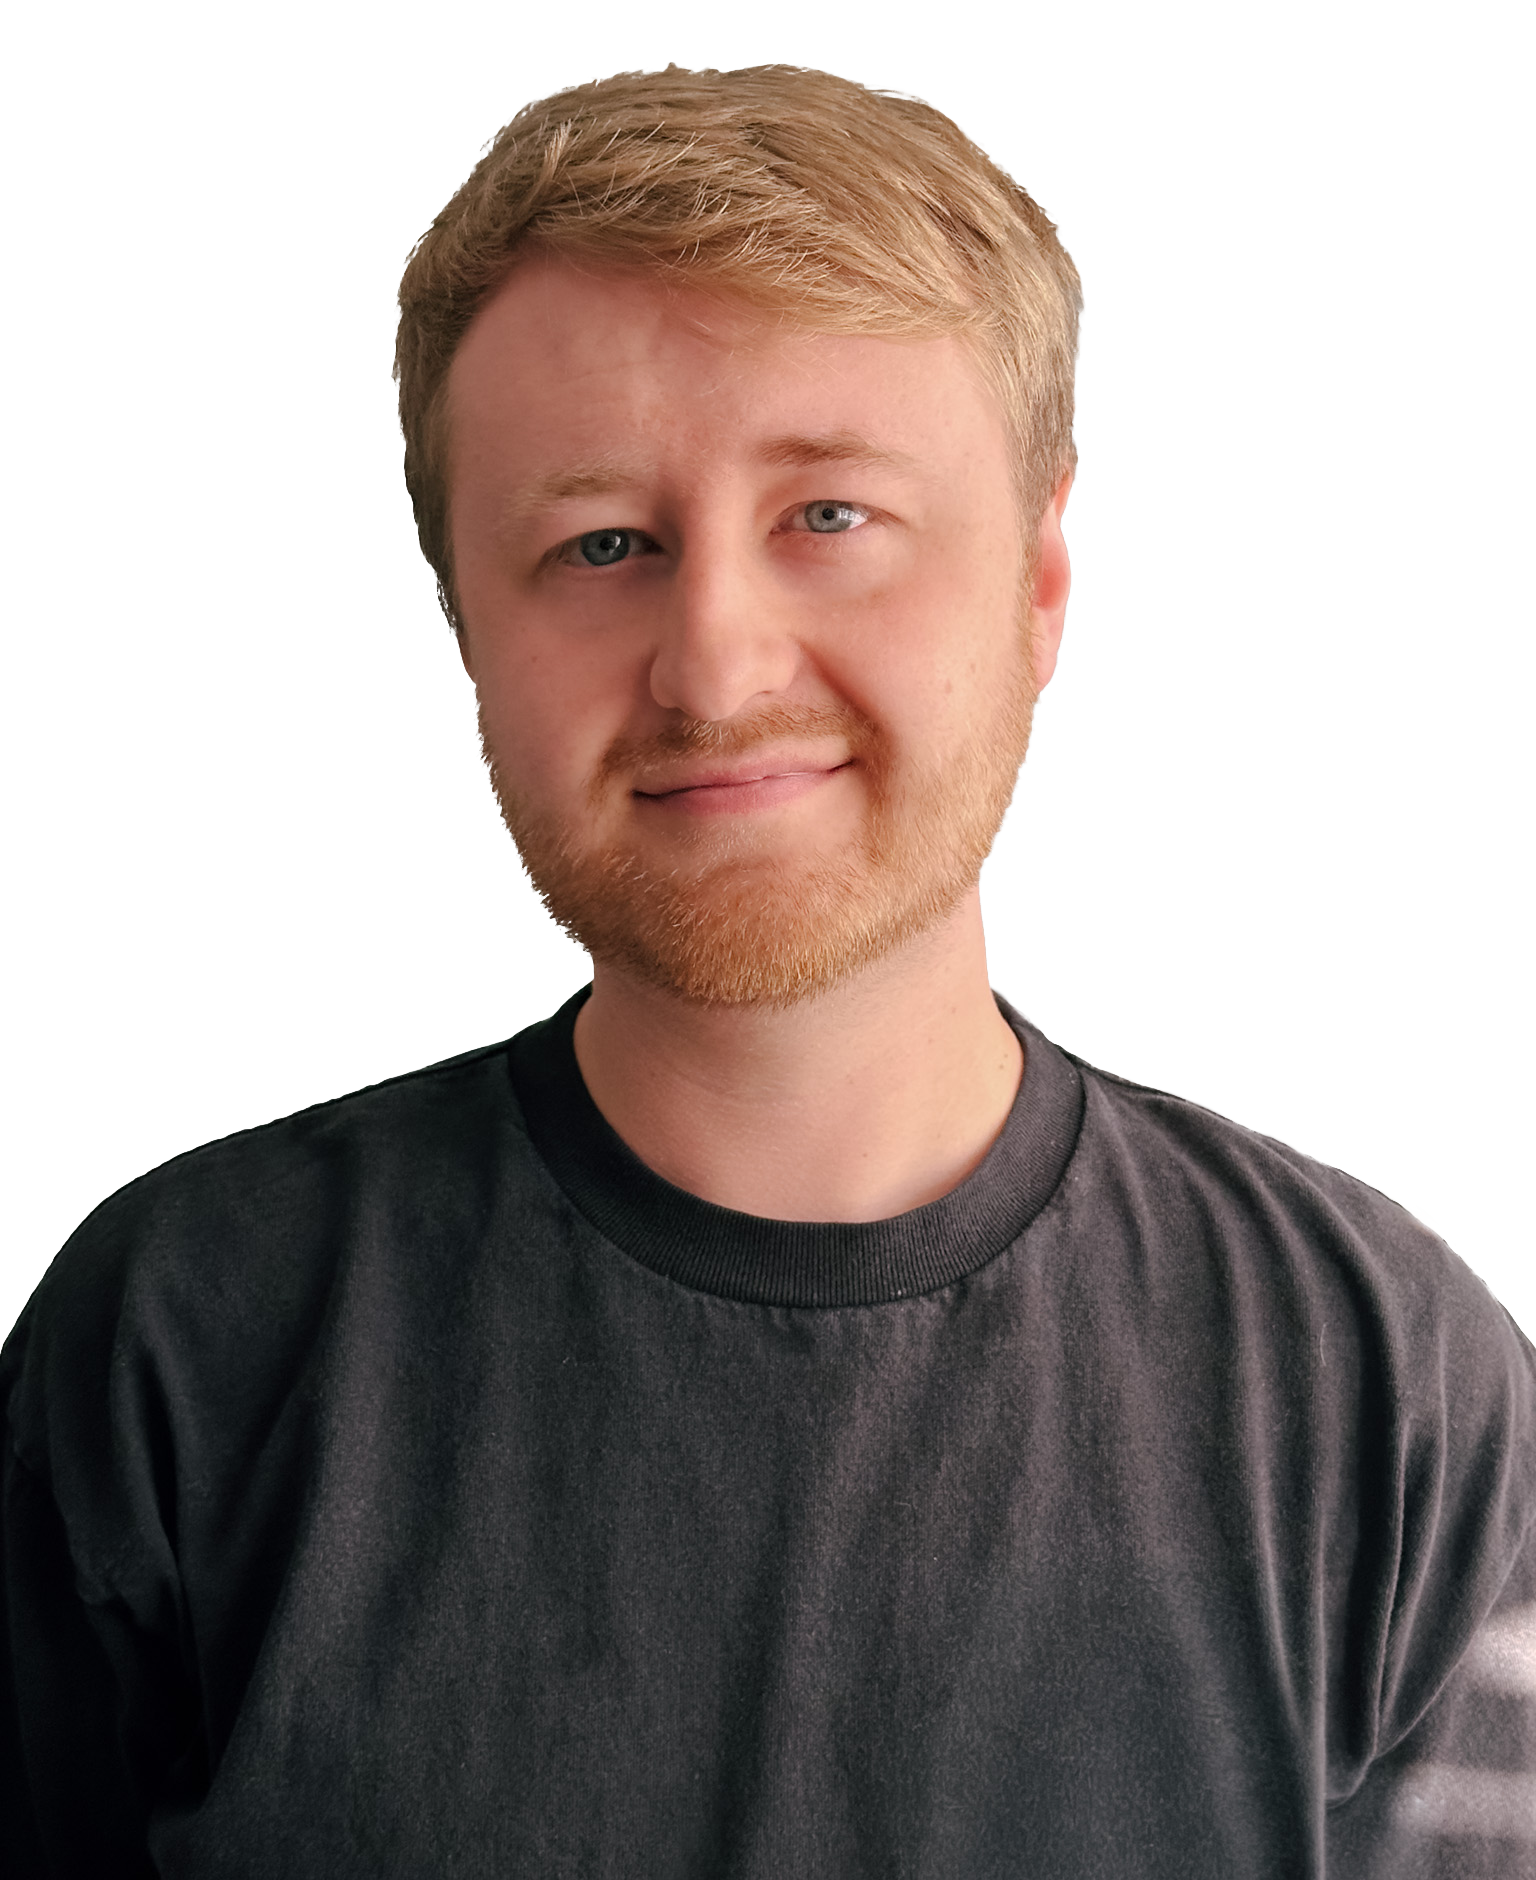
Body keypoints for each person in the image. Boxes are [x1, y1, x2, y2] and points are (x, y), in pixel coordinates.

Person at [3, 62, 1533, 1879]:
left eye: (830, 516)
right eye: (600, 543)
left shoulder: (1381, 1375)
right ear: (471, 627)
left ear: (1039, 584)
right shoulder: (171, 1348)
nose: (715, 668)